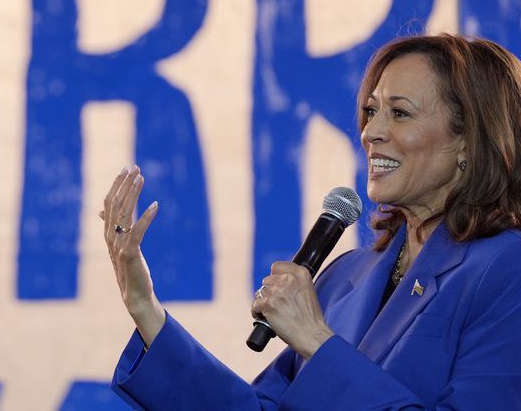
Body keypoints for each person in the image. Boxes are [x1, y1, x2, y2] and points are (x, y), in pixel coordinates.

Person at [100, 34, 521, 409]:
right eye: (371, 111)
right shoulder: (345, 275)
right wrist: (145, 308)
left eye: (400, 113)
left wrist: (316, 340)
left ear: (468, 140)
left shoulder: (506, 269)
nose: (371, 131)